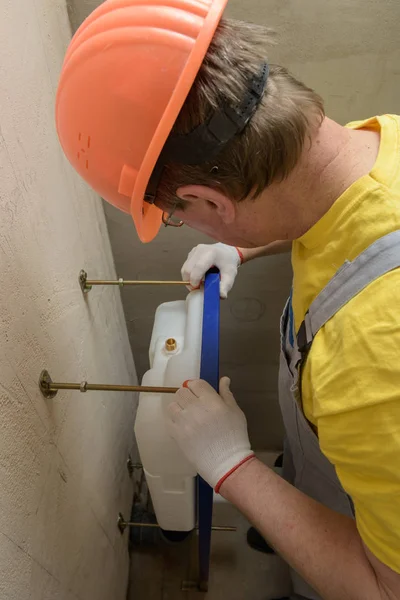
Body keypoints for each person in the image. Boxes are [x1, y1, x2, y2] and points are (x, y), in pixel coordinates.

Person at [56, 1, 400, 598]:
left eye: (176, 218)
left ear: (209, 202)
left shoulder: (372, 360)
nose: (190, 228)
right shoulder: (377, 141)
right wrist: (242, 249)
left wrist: (232, 467)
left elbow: (382, 585)